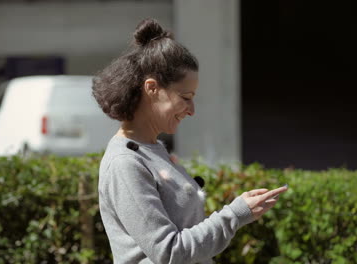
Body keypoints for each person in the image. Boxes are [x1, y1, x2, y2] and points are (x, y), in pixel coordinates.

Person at [92, 18, 287, 264]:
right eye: (185, 97)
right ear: (152, 88)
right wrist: (235, 214)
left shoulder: (153, 150)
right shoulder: (125, 163)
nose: (192, 110)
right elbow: (170, 251)